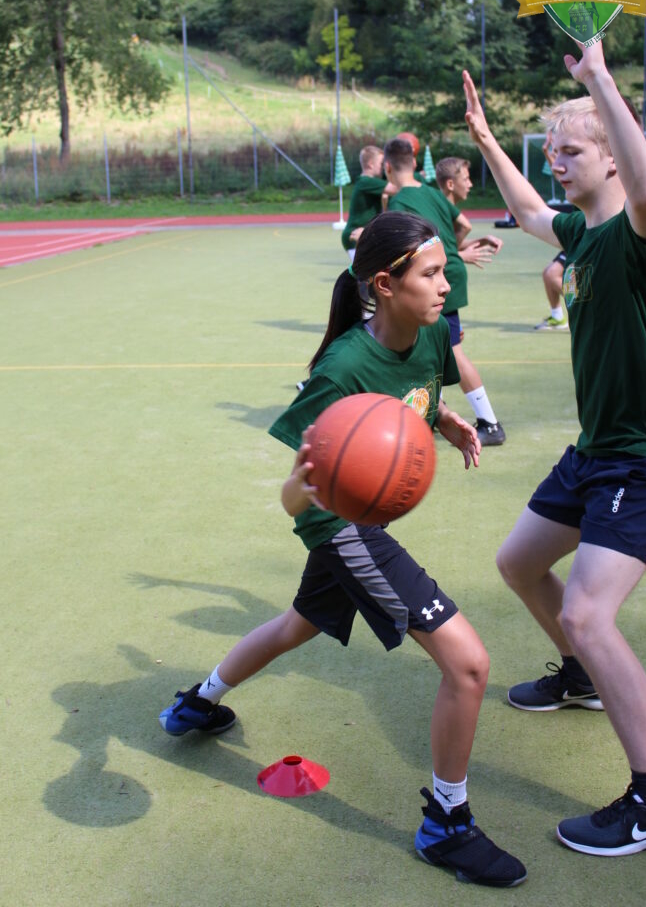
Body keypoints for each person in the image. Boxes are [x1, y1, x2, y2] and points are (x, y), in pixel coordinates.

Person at [159, 211, 527, 889]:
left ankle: (197, 702)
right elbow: (294, 497)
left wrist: (444, 419)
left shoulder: (431, 332)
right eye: (431, 274)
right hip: (337, 526)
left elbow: (415, 398)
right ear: (384, 285)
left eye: (444, 271)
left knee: (297, 625)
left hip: (357, 523)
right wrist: (305, 492)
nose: (446, 285)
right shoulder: (341, 370)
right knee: (468, 665)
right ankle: (446, 824)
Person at [463, 40, 646, 857]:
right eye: (551, 151)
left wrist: (597, 81)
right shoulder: (580, 237)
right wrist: (487, 141)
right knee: (519, 564)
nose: (555, 162)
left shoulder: (636, 236)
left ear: (612, 158)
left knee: (588, 614)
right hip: (596, 452)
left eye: (571, 151)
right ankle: (581, 677)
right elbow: (527, 214)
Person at [386, 139, 506, 447]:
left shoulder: (398, 203)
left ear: (387, 168)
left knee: (452, 350)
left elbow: (405, 250)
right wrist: (454, 251)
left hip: (433, 279)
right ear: (415, 163)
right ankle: (432, 411)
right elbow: (463, 224)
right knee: (426, 346)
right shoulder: (432, 192)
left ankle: (490, 423)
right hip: (448, 273)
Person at [535, 136, 569, 331]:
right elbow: (558, 171)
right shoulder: (572, 180)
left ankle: (589, 306)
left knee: (551, 274)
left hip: (585, 237)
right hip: (575, 239)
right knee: (549, 273)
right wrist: (547, 151)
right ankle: (557, 316)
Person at [340, 146, 389, 260]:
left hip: (365, 234)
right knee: (366, 270)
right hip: (356, 234)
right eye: (381, 163)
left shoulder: (373, 182)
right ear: (371, 164)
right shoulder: (366, 182)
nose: (383, 167)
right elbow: (395, 187)